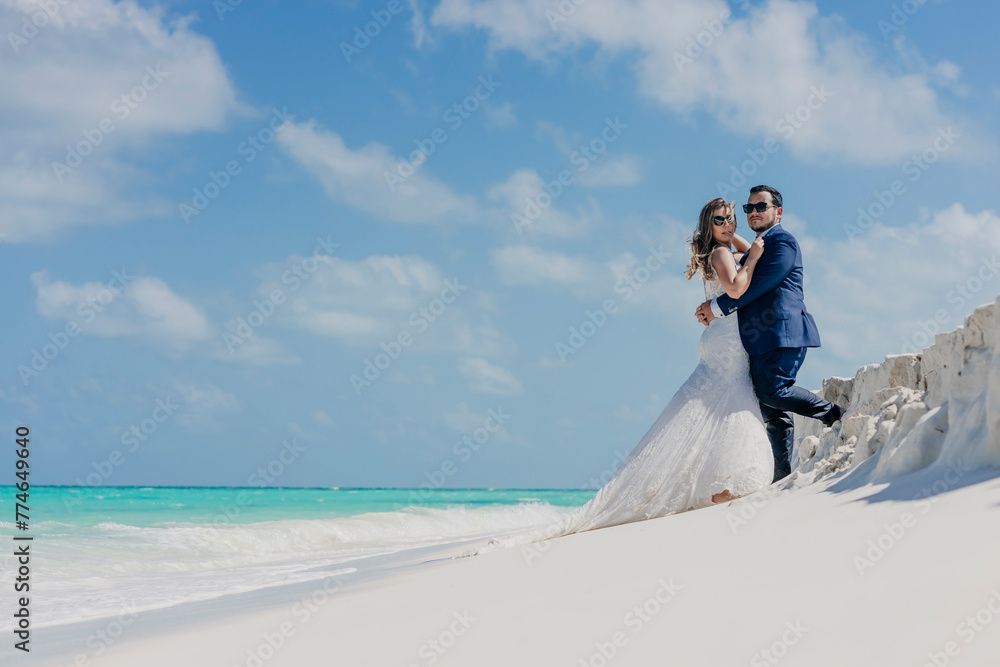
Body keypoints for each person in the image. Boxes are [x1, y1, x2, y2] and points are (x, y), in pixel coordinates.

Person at [553, 197, 775, 534]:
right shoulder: (720, 253)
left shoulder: (723, 247)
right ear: (708, 226)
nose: (728, 224)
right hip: (727, 343)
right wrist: (753, 257)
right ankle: (726, 482)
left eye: (731, 218)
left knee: (716, 408)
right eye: (719, 220)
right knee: (733, 403)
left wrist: (734, 234)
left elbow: (745, 246)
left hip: (721, 339)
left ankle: (716, 482)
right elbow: (734, 288)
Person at [695, 185, 843, 483]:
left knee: (774, 392)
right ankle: (781, 476)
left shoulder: (782, 242)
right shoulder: (759, 245)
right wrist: (728, 235)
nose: (754, 212)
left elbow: (758, 285)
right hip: (756, 338)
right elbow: (741, 255)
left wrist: (717, 307)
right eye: (749, 208)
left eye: (761, 206)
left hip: (783, 331)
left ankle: (834, 414)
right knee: (772, 412)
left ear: (779, 211)